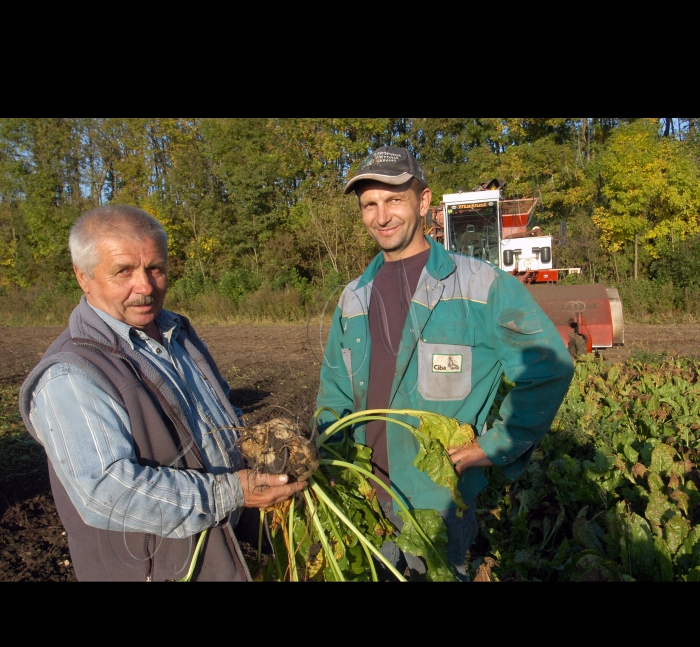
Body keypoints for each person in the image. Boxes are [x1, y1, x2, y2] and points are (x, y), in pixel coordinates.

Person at [315, 147, 575, 580]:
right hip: (360, 495)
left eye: (394, 199)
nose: (381, 216)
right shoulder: (353, 297)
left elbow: (550, 366)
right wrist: (324, 459)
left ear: (423, 202)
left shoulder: (481, 285)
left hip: (435, 504)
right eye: (369, 205)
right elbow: (334, 391)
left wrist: (492, 446)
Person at [19, 205, 305, 581]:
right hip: (155, 569)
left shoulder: (176, 332)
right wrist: (230, 493)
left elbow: (217, 415)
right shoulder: (70, 375)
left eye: (155, 268)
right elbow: (106, 491)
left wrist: (263, 447)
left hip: (218, 550)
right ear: (83, 277)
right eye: (123, 271)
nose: (146, 286)